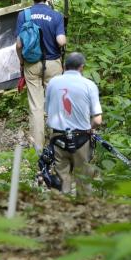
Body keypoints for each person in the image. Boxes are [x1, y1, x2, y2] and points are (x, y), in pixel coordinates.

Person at [16, 0, 67, 151]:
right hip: (53, 64)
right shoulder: (56, 15)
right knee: (55, 103)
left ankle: (38, 148)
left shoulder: (24, 15)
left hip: (31, 64)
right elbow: (61, 41)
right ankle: (58, 144)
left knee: (36, 106)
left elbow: (18, 45)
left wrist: (21, 62)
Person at [45, 52, 102, 195]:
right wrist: (90, 129)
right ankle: (84, 206)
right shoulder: (89, 85)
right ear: (82, 67)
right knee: (83, 181)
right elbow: (97, 120)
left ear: (64, 66)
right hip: (82, 139)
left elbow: (47, 110)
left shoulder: (53, 83)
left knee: (62, 181)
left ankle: (62, 204)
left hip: (58, 138)